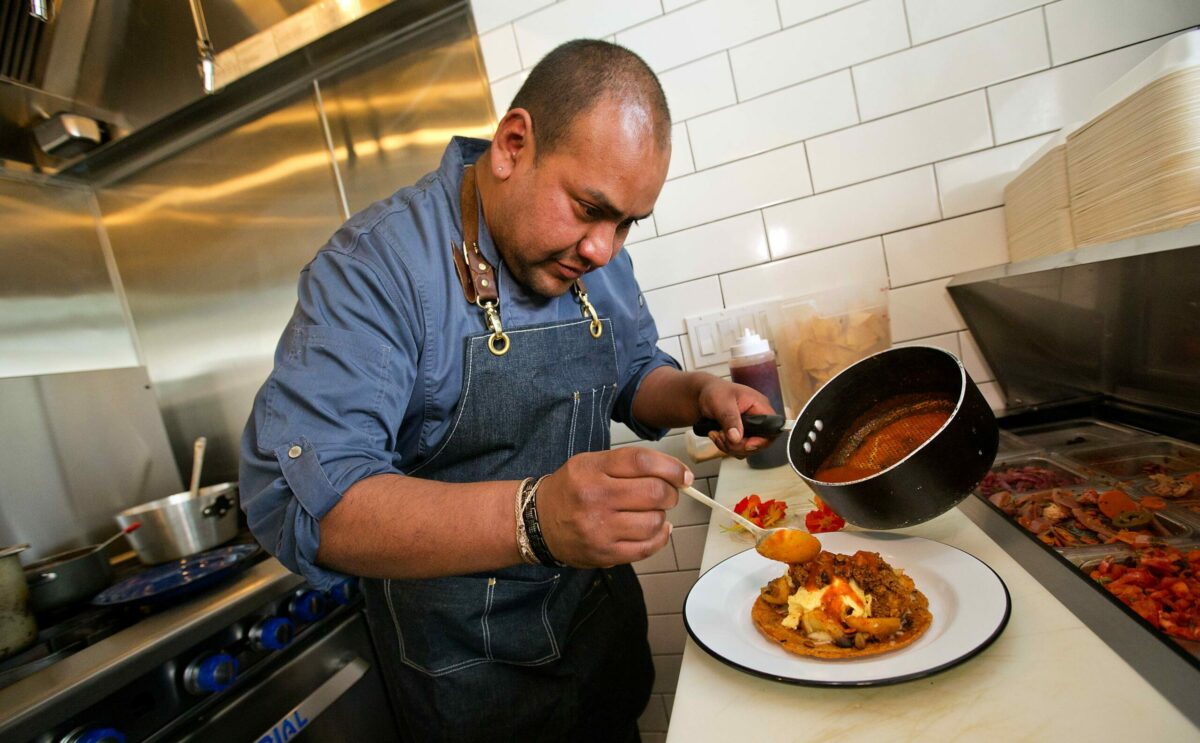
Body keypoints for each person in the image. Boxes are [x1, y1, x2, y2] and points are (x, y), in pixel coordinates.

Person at [239, 39, 777, 742]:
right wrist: (533, 518)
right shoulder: (375, 269)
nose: (602, 250)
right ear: (512, 145)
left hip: (593, 627)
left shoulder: (593, 251)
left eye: (625, 224)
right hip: (468, 669)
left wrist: (700, 394)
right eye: (589, 209)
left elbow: (634, 372)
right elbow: (314, 505)